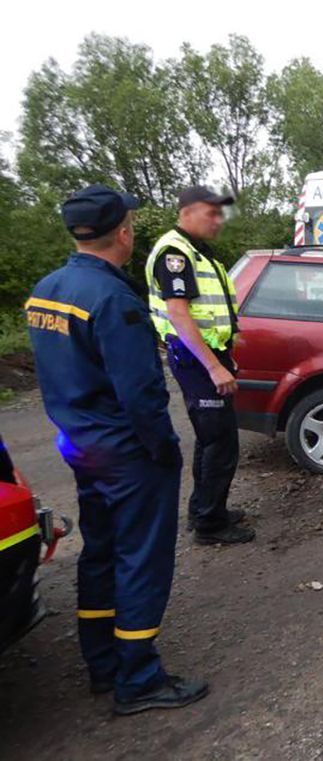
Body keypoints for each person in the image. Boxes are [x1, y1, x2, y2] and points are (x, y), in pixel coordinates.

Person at [26, 184, 208, 714]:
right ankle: (139, 679)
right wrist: (164, 448)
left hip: (81, 446)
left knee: (101, 552)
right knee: (142, 559)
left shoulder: (47, 289)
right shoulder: (113, 299)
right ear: (124, 232)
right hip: (127, 452)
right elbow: (141, 392)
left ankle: (103, 663)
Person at [145, 187, 253, 545]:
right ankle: (210, 525)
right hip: (195, 358)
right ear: (188, 212)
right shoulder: (175, 253)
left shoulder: (196, 252)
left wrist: (224, 356)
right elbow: (178, 314)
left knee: (211, 439)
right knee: (220, 442)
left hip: (206, 354)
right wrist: (213, 367)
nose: (219, 221)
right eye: (212, 214)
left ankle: (206, 510)